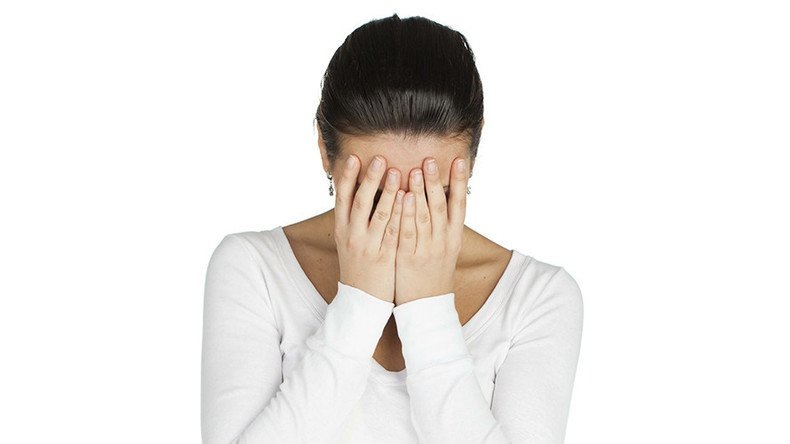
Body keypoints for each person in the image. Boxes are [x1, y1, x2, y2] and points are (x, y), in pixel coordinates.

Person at [201, 13, 583, 444]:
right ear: (325, 150)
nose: (401, 218)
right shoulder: (254, 269)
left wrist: (428, 308)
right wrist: (359, 301)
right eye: (375, 195)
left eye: (431, 193)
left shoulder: (537, 297)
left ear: (473, 155)